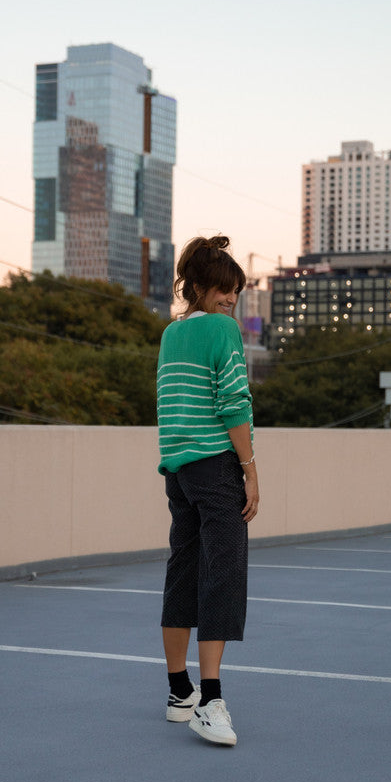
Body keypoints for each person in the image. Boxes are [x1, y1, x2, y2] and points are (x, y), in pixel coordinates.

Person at [156, 235, 259, 747]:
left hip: (178, 472)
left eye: (235, 292)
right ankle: (212, 700)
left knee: (183, 572)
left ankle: (181, 693)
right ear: (196, 287)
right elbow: (233, 402)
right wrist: (250, 469)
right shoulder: (223, 331)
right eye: (222, 289)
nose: (229, 300)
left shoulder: (171, 334)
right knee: (222, 575)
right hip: (216, 467)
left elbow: (171, 402)